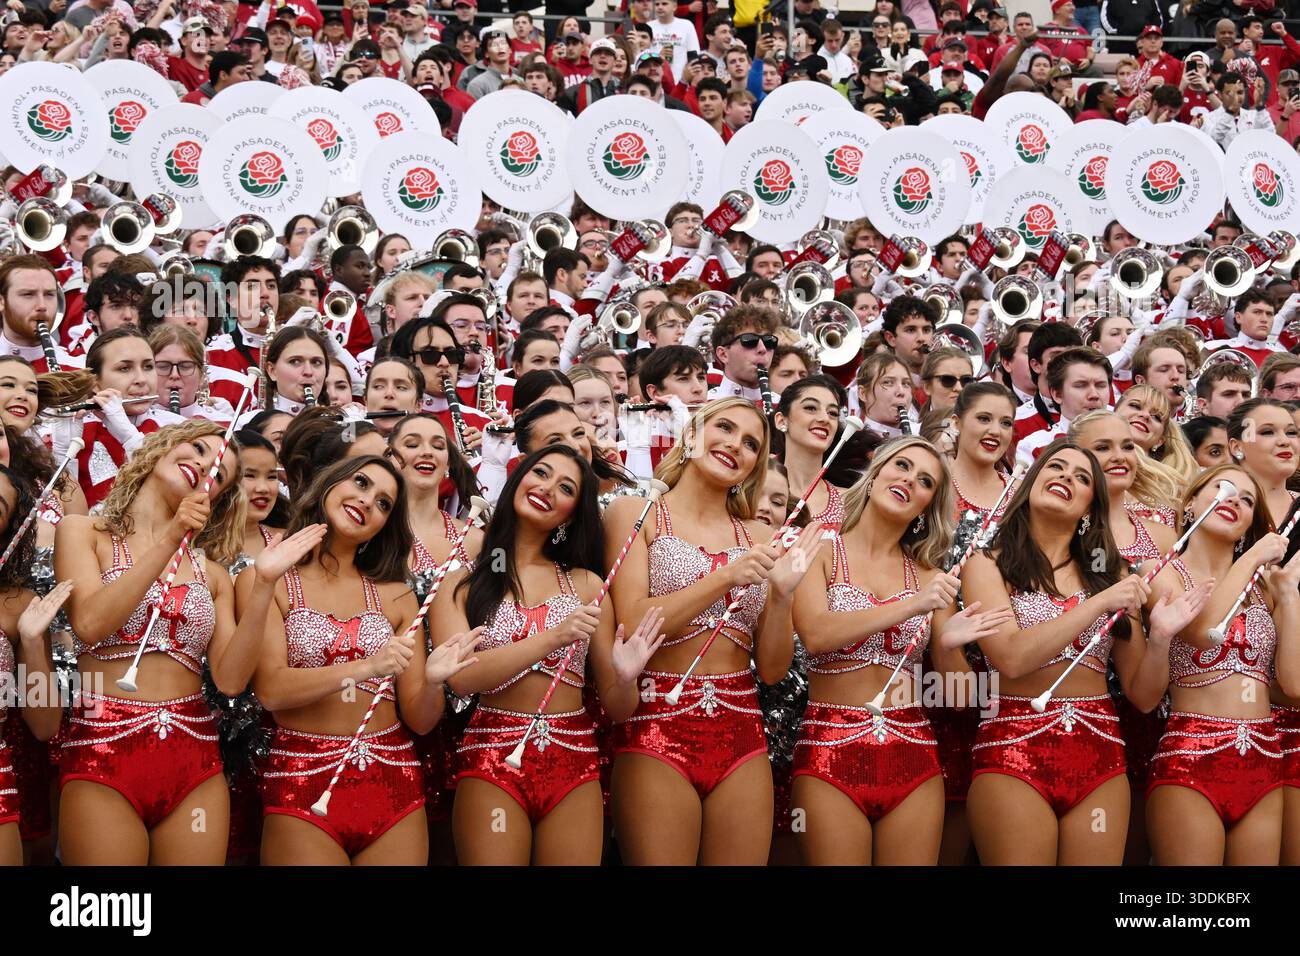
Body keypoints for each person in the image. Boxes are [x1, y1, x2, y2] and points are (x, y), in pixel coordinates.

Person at [604, 397, 824, 864]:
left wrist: (782, 596)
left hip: (741, 726)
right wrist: (724, 577)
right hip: (655, 721)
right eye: (724, 428)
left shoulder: (762, 538)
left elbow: (771, 669)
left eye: (751, 444)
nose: (735, 446)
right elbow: (632, 620)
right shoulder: (635, 513)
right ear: (690, 435)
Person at [435, 445, 661, 865]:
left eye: (566, 487)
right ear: (517, 480)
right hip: (492, 754)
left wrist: (627, 677)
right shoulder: (462, 580)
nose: (547, 488)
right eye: (540, 473)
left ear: (572, 514)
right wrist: (550, 638)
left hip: (572, 757)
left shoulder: (589, 584)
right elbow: (462, 678)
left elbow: (616, 706)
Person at [249, 455, 479, 865]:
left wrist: (431, 680)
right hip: (302, 776)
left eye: (385, 503)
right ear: (330, 483)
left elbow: (422, 720)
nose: (369, 500)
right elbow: (271, 691)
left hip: (393, 779)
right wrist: (366, 667)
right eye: (360, 483)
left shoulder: (397, 594)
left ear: (385, 525)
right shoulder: (270, 575)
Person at [790, 437, 1010, 864]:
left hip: (913, 750)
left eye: (925, 480)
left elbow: (960, 698)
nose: (910, 480)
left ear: (929, 504)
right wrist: (910, 605)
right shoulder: (817, 548)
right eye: (902, 466)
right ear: (874, 476)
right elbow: (815, 634)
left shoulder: (932, 575)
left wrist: (947, 647)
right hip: (828, 748)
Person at [961, 440, 1175, 865]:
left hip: (1100, 751)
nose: (1066, 478)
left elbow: (1144, 695)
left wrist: (1162, 638)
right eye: (1056, 467)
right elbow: (1011, 658)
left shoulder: (1109, 572)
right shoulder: (988, 563)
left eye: (1082, 478)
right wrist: (1096, 604)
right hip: (1014, 746)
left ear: (1090, 507)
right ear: (1031, 481)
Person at [53, 423, 254, 864]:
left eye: (218, 474)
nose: (205, 465)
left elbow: (232, 681)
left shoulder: (214, 575)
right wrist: (169, 538)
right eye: (198, 448)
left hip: (193, 756)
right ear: (162, 446)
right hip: (102, 747)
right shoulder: (82, 531)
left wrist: (267, 583)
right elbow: (89, 624)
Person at [1144, 466, 1300, 865]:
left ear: (1251, 523)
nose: (1234, 499)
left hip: (1265, 757)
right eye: (1224, 488)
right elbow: (1203, 630)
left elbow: (1294, 684)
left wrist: (1289, 598)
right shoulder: (1159, 571)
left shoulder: (1265, 586)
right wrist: (1249, 560)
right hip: (1191, 753)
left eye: (1247, 500)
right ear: (1191, 500)